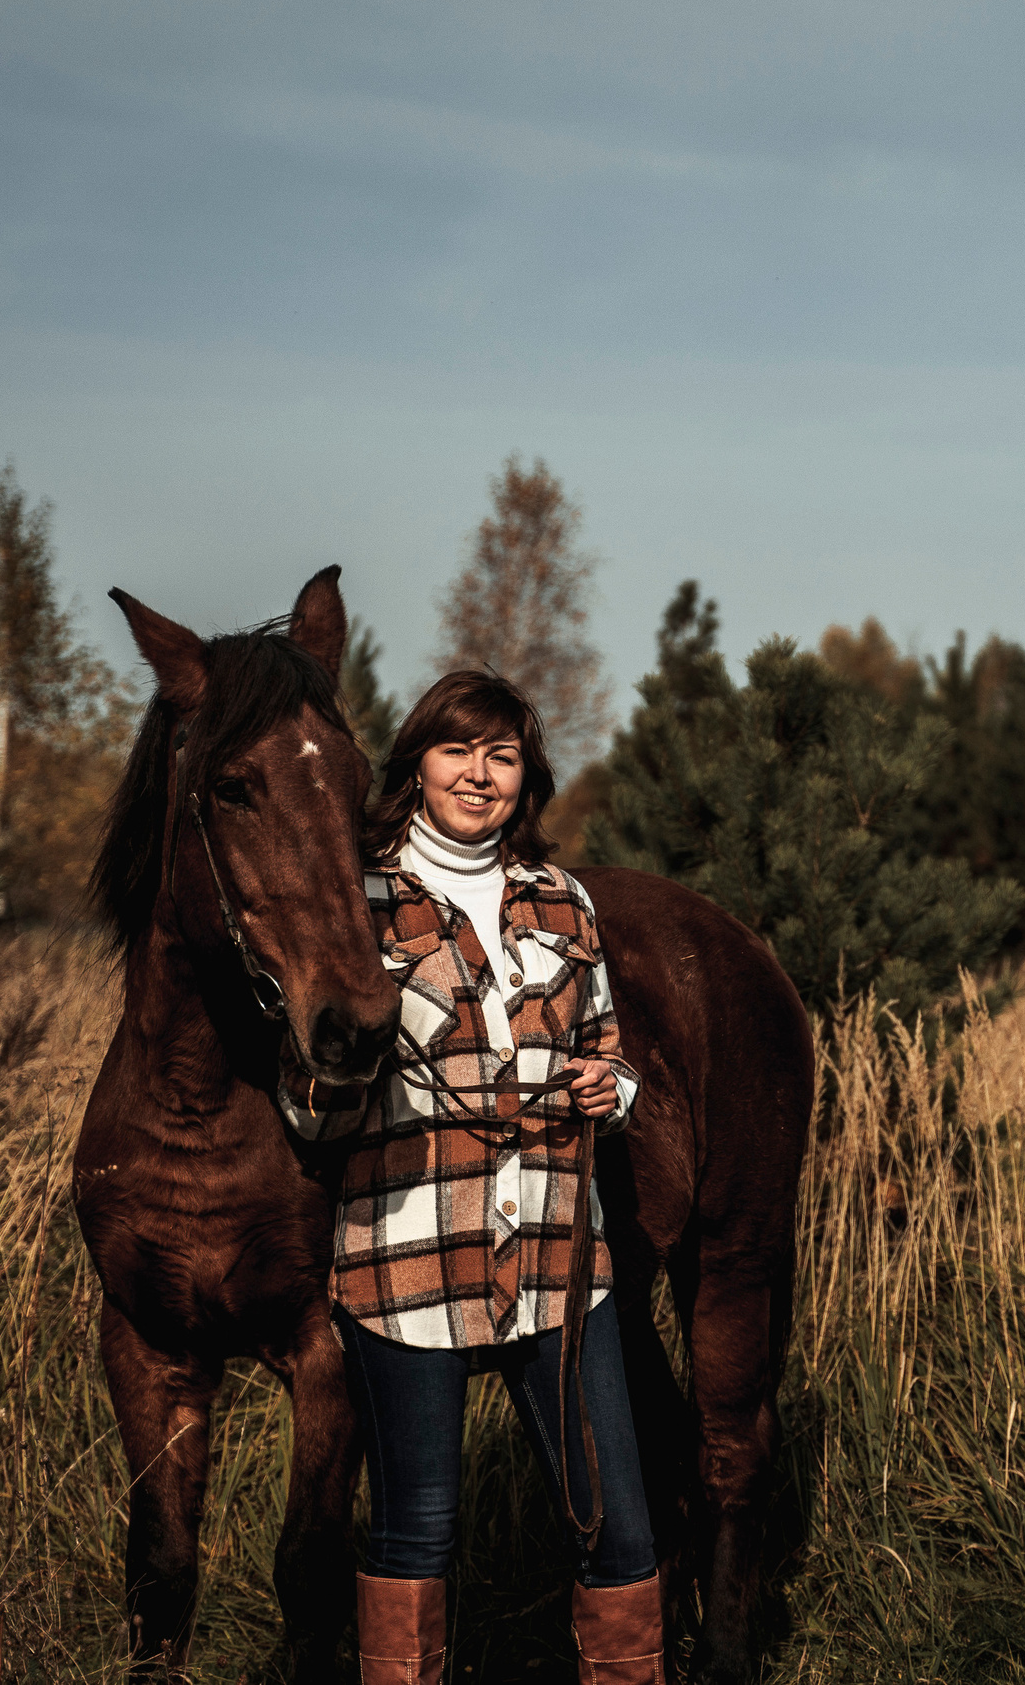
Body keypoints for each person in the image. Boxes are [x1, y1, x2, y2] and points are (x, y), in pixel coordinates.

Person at [278, 669, 661, 1685]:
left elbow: (612, 1046)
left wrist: (604, 1088)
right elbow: (304, 1098)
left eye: (501, 755)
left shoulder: (560, 899)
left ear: (523, 775)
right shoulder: (354, 900)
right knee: (418, 1541)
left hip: (561, 1264)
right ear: (417, 765)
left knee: (617, 1530)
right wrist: (343, 1086)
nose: (479, 775)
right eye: (458, 751)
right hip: (406, 1266)